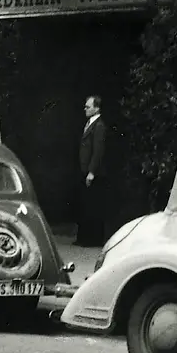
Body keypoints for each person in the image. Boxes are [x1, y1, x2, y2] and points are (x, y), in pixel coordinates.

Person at [76, 96, 108, 245]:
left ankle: (93, 239)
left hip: (93, 172)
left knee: (93, 205)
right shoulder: (90, 123)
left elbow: (98, 151)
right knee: (86, 204)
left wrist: (92, 172)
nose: (85, 109)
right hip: (86, 170)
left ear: (97, 108)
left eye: (88, 107)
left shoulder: (99, 126)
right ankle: (85, 237)